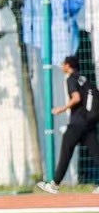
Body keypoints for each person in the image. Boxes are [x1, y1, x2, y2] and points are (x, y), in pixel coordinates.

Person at [38, 55, 99, 194]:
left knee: (66, 150)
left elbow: (76, 98)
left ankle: (54, 184)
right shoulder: (83, 78)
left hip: (78, 122)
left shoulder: (71, 79)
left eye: (63, 63)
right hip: (89, 122)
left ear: (68, 65)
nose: (61, 66)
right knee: (96, 153)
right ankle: (55, 183)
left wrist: (62, 109)